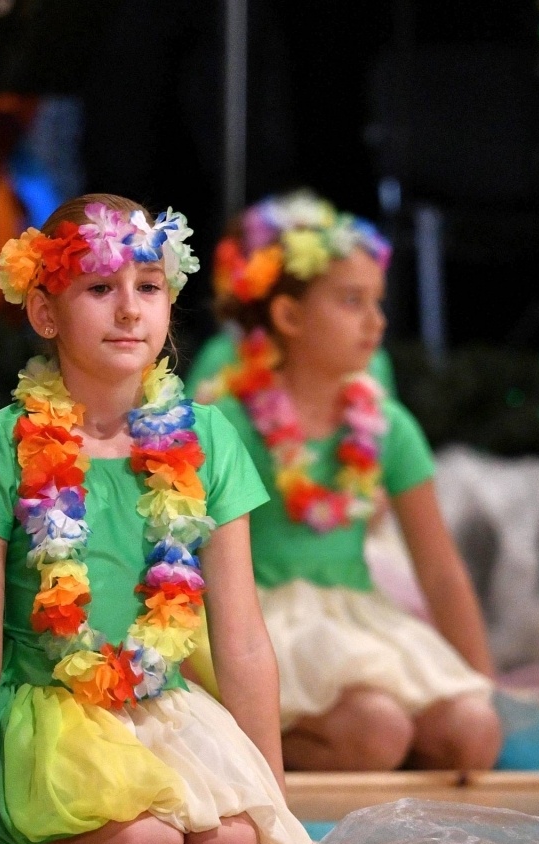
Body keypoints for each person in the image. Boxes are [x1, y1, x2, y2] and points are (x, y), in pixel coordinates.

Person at [0, 194, 316, 844]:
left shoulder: (207, 438)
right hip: (48, 723)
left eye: (149, 286)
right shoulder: (0, 444)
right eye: (101, 287)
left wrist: (280, 814)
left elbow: (242, 643)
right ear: (45, 312)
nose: (130, 310)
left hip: (162, 710)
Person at [201, 191, 499, 772]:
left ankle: (378, 762)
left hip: (360, 616)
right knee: (376, 731)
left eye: (377, 302)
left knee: (475, 733)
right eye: (351, 301)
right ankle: (250, 749)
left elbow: (440, 570)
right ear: (289, 317)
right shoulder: (226, 424)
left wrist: (485, 683)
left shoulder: (387, 425)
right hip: (265, 620)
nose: (375, 322)